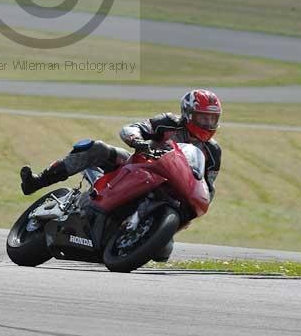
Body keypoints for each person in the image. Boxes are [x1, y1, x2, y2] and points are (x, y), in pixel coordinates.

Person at [19, 89, 222, 261]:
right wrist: (137, 141)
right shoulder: (168, 122)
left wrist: (195, 205)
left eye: (212, 118)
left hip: (170, 189)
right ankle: (37, 181)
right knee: (95, 148)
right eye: (203, 117)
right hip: (140, 166)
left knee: (163, 252)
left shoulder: (213, 151)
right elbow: (132, 128)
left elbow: (208, 185)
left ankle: (129, 234)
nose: (208, 123)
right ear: (188, 114)